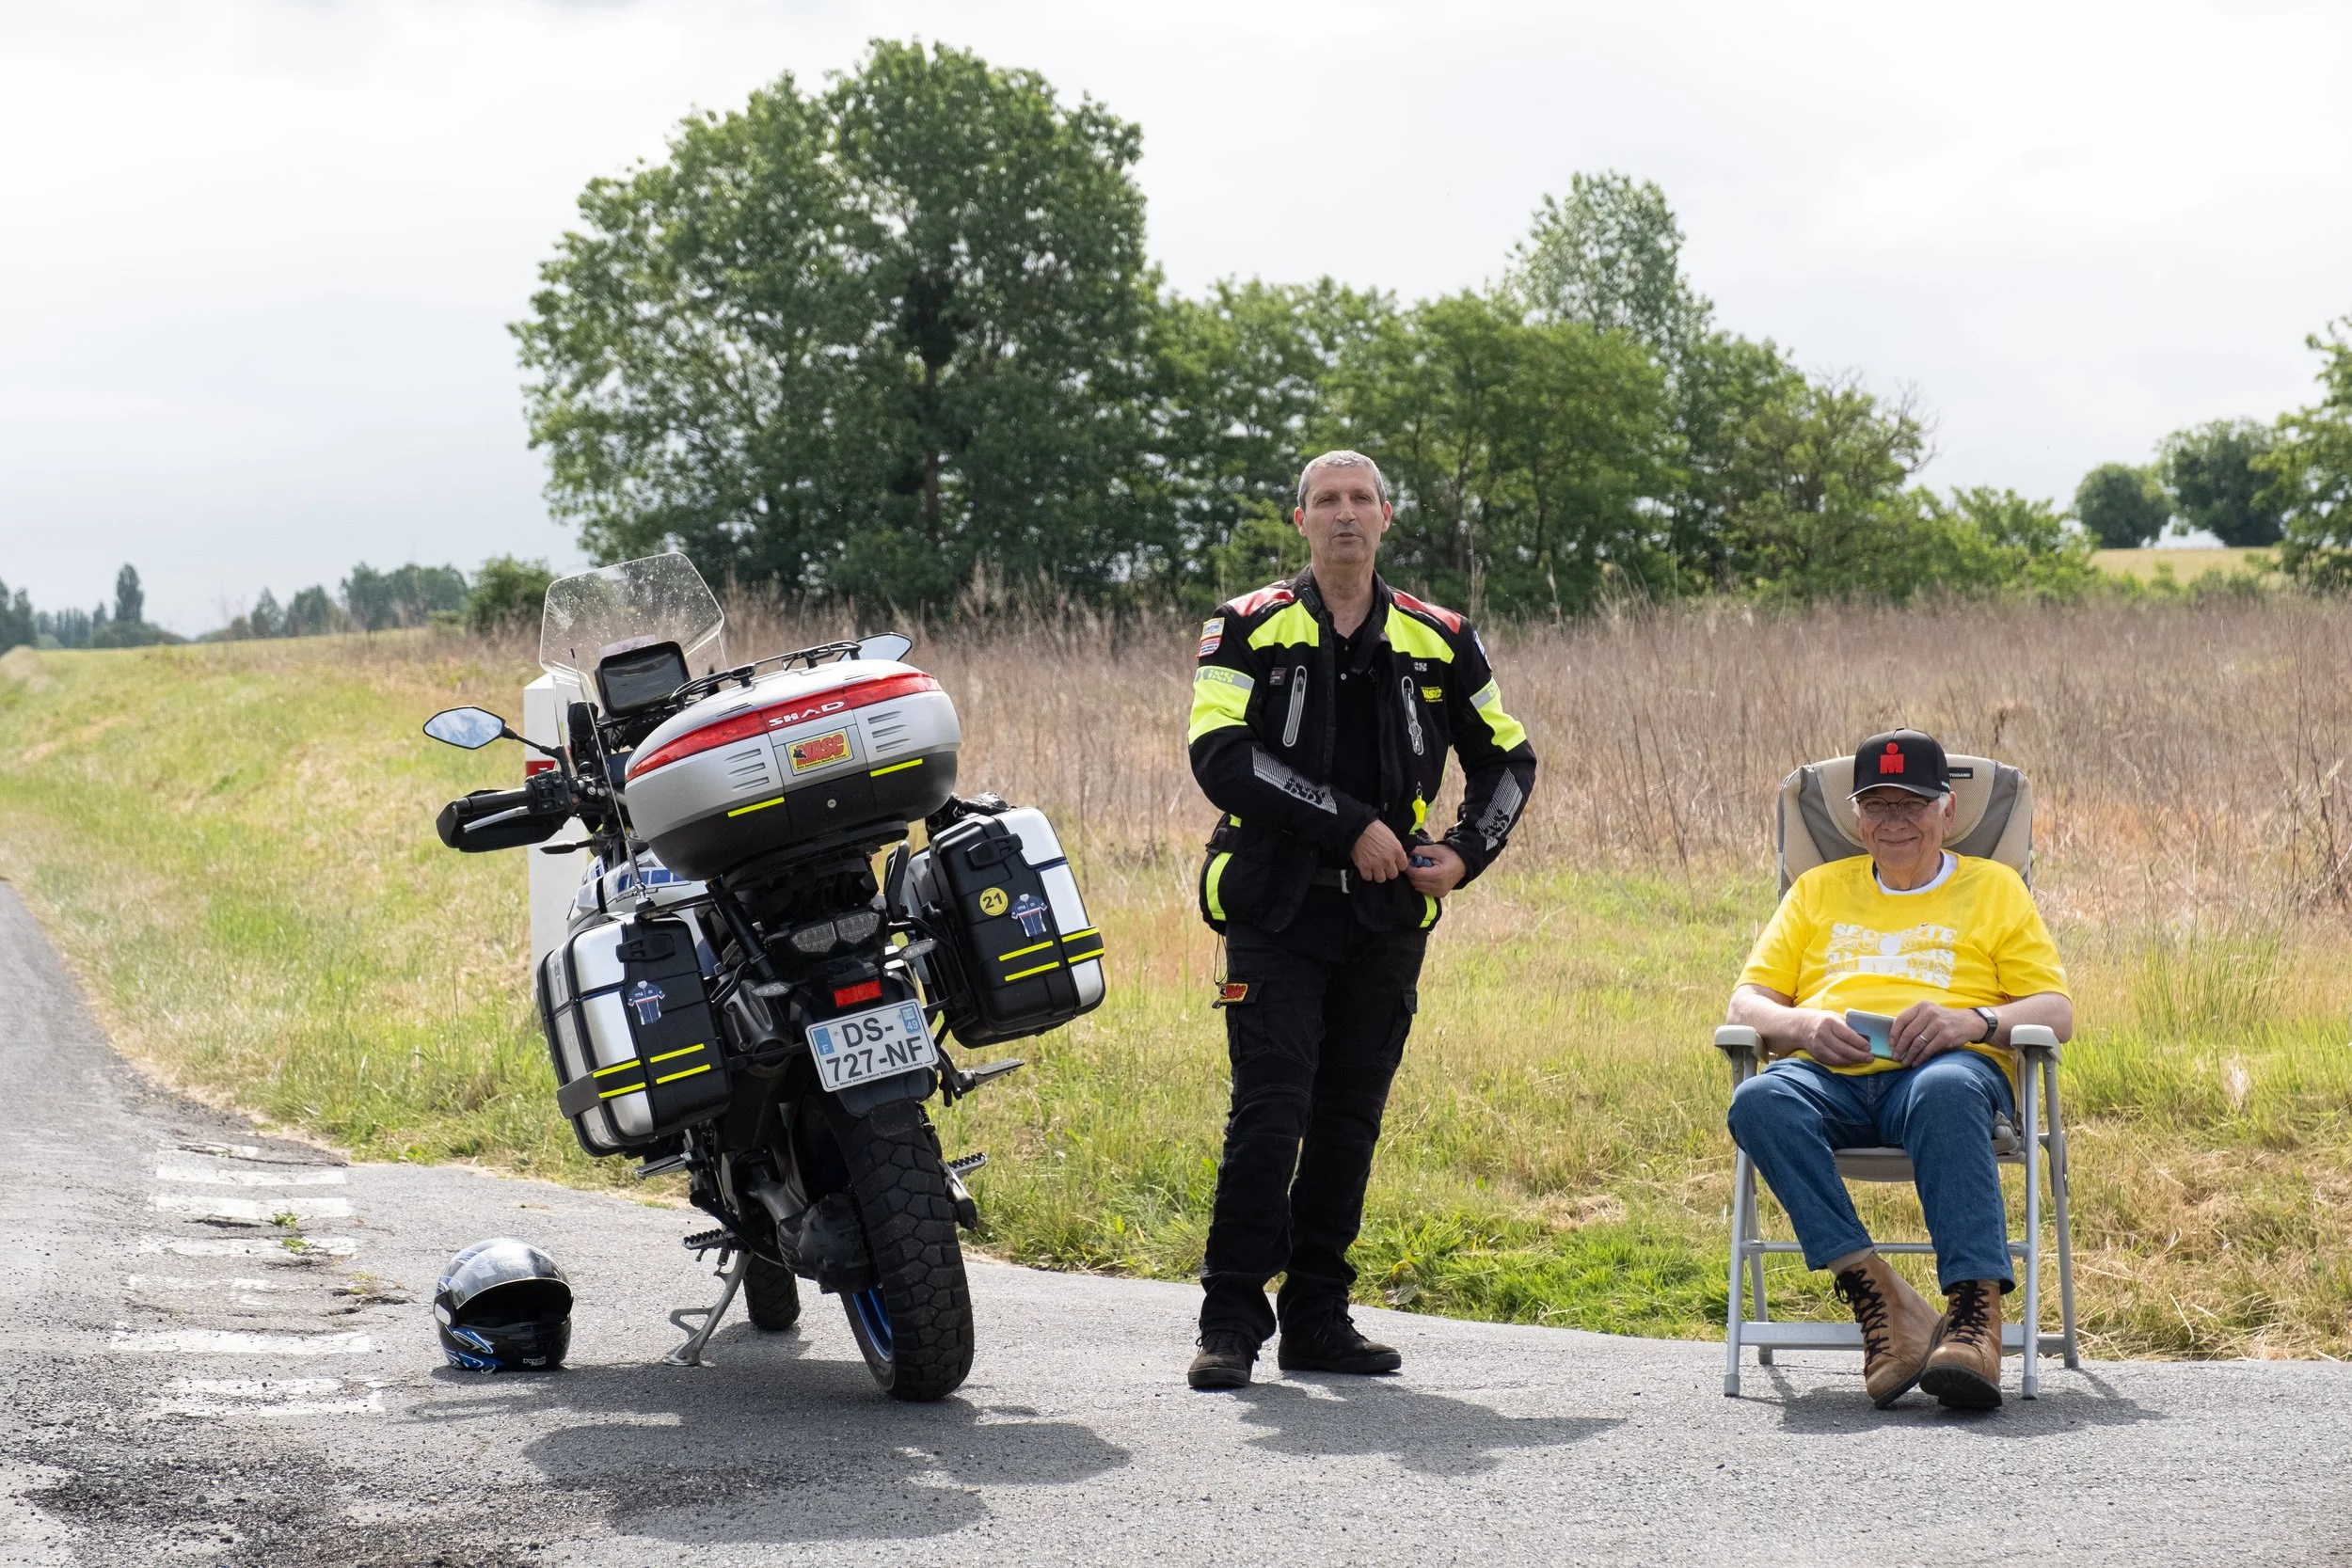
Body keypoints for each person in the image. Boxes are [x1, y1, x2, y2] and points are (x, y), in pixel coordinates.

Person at [1182, 450, 1538, 1391]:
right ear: (1299, 519)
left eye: (1359, 500)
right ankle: (1228, 1321)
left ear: (1386, 515)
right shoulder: (1244, 625)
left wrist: (1463, 852)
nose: (1344, 515)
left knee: (1348, 1117)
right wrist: (1354, 827)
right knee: (1268, 1112)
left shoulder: (1442, 634)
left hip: (1386, 921)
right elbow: (1219, 754)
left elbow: (1508, 759)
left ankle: (1317, 1317)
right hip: (1273, 907)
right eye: (1325, 501)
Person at [1725, 729, 2073, 1410]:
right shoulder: (1817, 890)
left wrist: (1970, 1020)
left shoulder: (1995, 890)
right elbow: (1747, 1000)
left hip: (1946, 1070)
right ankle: (1877, 1291)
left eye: (1912, 804)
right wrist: (1804, 1027)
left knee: (1945, 1088)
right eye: (1878, 806)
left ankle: (1974, 1317)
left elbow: (2056, 1010)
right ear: (1856, 819)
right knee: (1759, 1101)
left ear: (1948, 811)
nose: (1895, 822)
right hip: (1832, 1074)